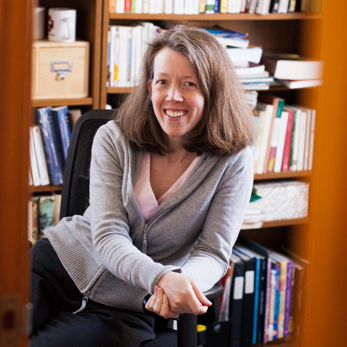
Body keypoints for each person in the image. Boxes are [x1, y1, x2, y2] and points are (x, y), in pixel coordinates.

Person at [30, 25, 254, 347]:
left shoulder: (233, 159)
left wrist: (182, 283)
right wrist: (161, 277)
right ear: (150, 88)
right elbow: (108, 235)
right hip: (59, 262)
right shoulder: (114, 137)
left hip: (131, 305)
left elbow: (213, 251)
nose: (172, 96)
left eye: (189, 84)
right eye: (163, 82)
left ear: (212, 91)